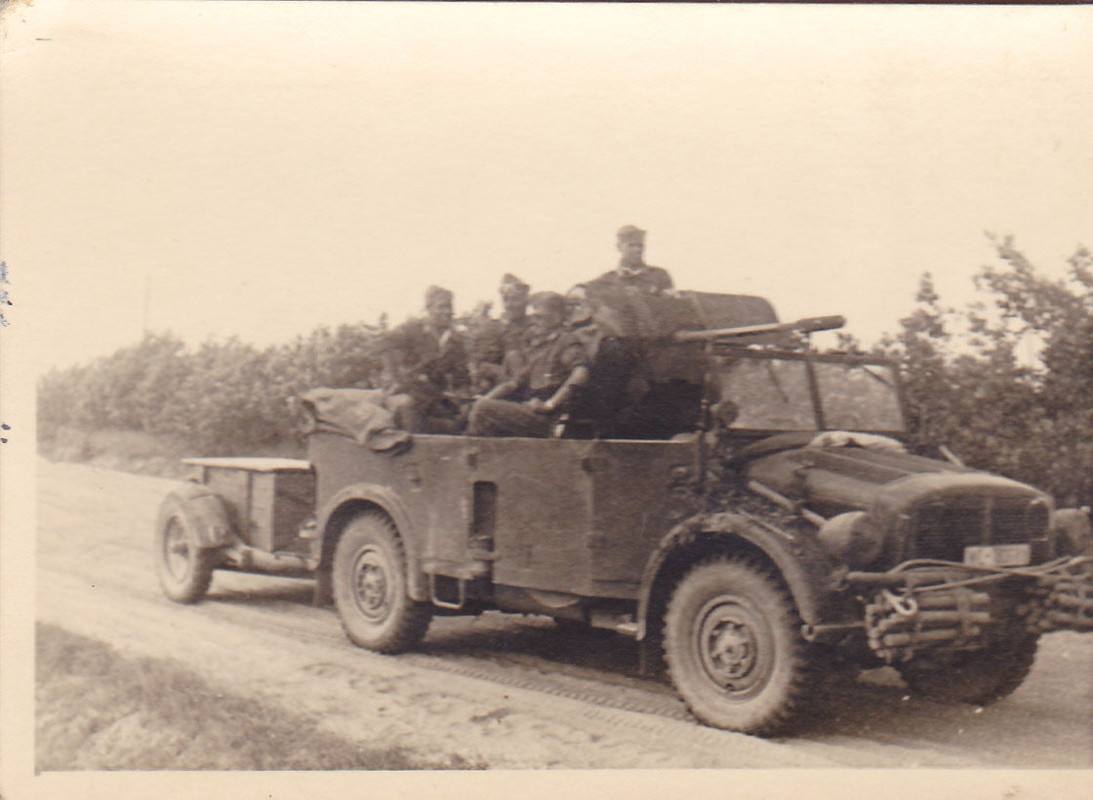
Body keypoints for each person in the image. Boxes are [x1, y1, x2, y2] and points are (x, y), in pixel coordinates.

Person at [466, 292, 589, 438]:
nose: (533, 322)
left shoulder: (566, 341)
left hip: (548, 418)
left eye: (539, 317)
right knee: (476, 409)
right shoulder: (539, 346)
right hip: (531, 411)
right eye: (533, 317)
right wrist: (485, 399)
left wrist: (550, 404)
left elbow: (581, 374)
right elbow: (513, 383)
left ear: (556, 318)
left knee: (482, 410)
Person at [381, 285, 470, 433]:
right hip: (403, 392)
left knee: (461, 420)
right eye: (441, 307)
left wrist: (465, 403)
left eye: (449, 307)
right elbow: (383, 344)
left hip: (432, 397)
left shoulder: (455, 341)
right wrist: (397, 379)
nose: (447, 312)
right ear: (428, 308)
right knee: (407, 406)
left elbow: (462, 379)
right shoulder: (413, 329)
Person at [587, 225, 673, 294]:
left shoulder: (660, 276)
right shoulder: (608, 279)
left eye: (640, 245)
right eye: (631, 245)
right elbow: (583, 289)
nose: (637, 249)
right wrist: (579, 289)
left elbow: (669, 305)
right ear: (619, 247)